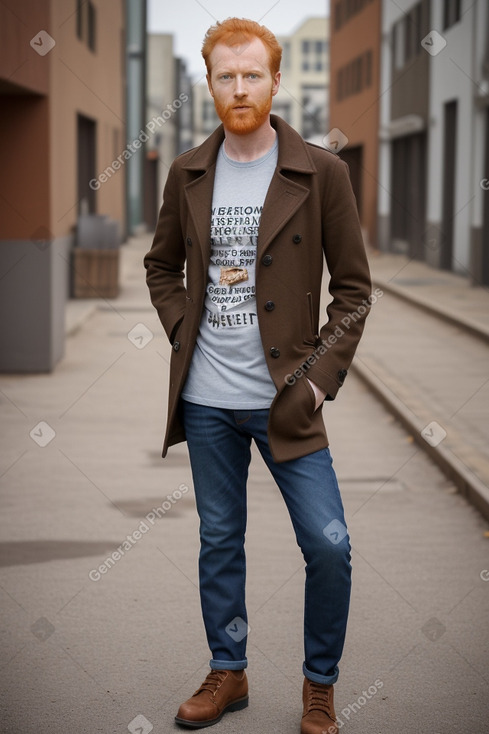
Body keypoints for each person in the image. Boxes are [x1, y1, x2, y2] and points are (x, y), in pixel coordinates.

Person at [144, 17, 371, 734]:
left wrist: (312, 380)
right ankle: (228, 669)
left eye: (251, 75)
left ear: (275, 81)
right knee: (219, 541)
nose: (238, 87)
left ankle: (319, 685)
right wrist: (185, 328)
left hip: (287, 402)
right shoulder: (186, 171)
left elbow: (354, 292)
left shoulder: (321, 172)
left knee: (328, 545)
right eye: (224, 76)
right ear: (207, 83)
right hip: (207, 400)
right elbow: (160, 265)